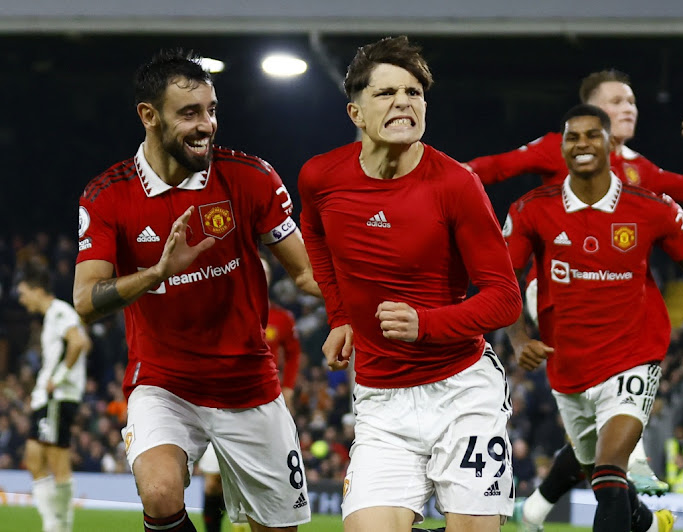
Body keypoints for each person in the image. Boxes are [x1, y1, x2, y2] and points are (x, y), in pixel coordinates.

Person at [73, 48, 317, 532]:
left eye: (211, 110)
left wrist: (380, 298)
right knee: (161, 491)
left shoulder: (251, 177)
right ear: (148, 116)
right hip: (164, 383)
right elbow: (85, 300)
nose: (206, 124)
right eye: (189, 113)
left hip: (248, 384)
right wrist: (155, 274)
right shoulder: (107, 196)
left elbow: (308, 275)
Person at [470, 69, 683, 523]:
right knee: (597, 461)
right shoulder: (552, 157)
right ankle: (627, 505)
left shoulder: (640, 174)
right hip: (553, 307)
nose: (630, 108)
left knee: (605, 465)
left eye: (633, 102)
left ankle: (617, 464)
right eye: (618, 100)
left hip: (624, 336)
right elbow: (498, 166)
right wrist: (446, 180)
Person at [298, 36, 523, 532]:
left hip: (462, 391)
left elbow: (506, 300)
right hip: (381, 399)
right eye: (387, 93)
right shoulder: (320, 177)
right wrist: (339, 316)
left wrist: (426, 323)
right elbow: (314, 233)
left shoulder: (457, 184)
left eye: (414, 92)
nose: (404, 101)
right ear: (356, 112)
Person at [200, 257, 302, 532]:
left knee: (259, 481)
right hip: (219, 404)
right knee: (213, 481)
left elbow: (293, 355)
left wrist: (289, 388)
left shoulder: (281, 317)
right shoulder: (218, 312)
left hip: (263, 403)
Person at [18, 260, 92, 532]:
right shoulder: (54, 316)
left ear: (37, 290)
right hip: (48, 398)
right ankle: (53, 523)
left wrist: (56, 380)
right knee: (34, 457)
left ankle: (60, 527)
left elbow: (79, 342)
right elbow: (84, 340)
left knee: (55, 460)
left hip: (58, 397)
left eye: (24, 293)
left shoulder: (59, 311)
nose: (23, 300)